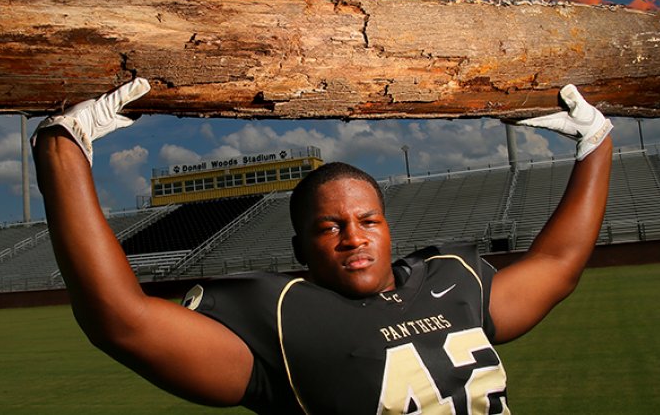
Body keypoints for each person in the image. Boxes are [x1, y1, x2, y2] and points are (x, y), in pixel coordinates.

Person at [32, 78, 613, 414]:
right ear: (301, 246)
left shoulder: (450, 281)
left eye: (367, 220)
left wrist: (596, 141)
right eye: (328, 227)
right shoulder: (283, 320)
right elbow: (121, 322)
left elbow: (558, 265)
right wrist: (64, 150)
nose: (353, 237)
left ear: (388, 228)